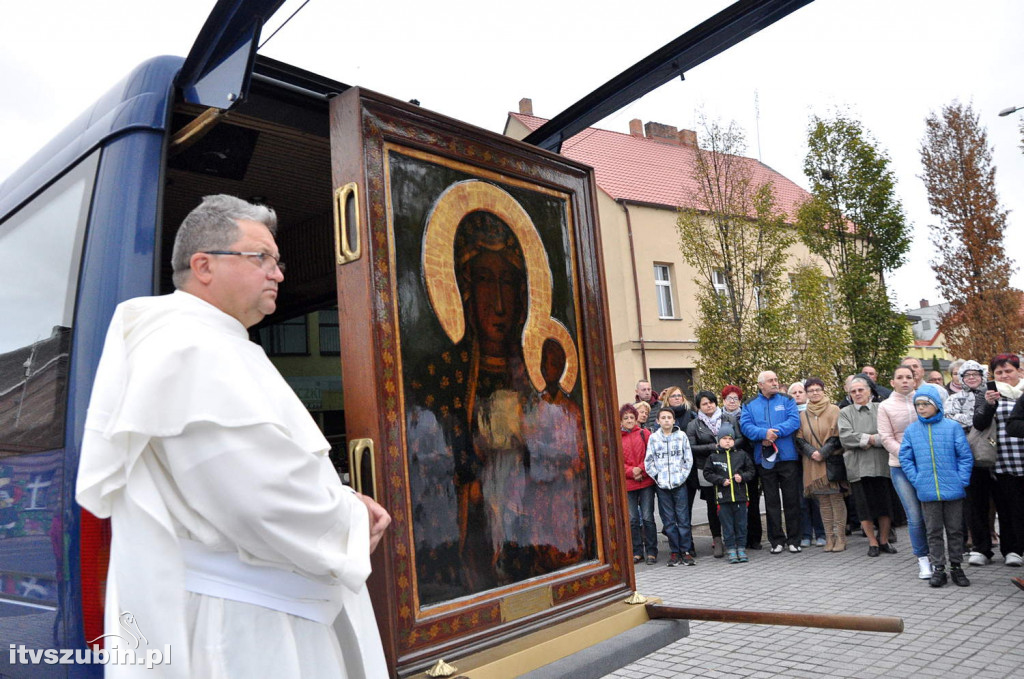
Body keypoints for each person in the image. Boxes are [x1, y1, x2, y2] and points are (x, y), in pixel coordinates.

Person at [76, 195, 390, 677]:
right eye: (261, 258)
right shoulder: (188, 348)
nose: (278, 273)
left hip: (269, 611)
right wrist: (351, 516)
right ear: (203, 265)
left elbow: (256, 473)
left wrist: (341, 497)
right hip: (251, 629)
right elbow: (257, 500)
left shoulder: (216, 342)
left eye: (277, 261)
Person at [898, 384, 973, 587]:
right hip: (928, 490)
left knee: (955, 530)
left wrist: (961, 480)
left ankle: (956, 566)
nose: (921, 408)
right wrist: (917, 479)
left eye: (925, 404)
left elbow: (965, 456)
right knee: (933, 531)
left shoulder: (952, 427)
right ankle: (938, 568)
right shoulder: (912, 430)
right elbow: (905, 458)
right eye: (918, 405)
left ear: (937, 405)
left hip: (953, 489)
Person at [878, 365, 932, 579]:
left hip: (928, 465)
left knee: (932, 514)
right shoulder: (885, 406)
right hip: (900, 466)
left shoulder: (925, 399)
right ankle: (923, 558)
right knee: (915, 516)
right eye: (899, 377)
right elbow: (886, 437)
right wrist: (908, 454)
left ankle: (937, 556)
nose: (904, 381)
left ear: (915, 380)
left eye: (908, 377)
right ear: (892, 382)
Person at [740, 371, 803, 554]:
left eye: (776, 380)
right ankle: (776, 540)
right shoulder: (750, 404)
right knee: (771, 501)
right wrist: (763, 434)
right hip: (764, 459)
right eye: (771, 381)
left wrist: (775, 432)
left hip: (787, 457)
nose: (775, 383)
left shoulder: (787, 400)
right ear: (761, 385)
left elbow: (794, 421)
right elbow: (746, 426)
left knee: (791, 500)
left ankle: (794, 539)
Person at [946, 360, 997, 566]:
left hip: (996, 455)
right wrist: (978, 419)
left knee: (1001, 502)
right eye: (967, 375)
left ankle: (1012, 547)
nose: (972, 378)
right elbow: (951, 417)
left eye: (975, 374)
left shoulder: (993, 394)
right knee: (975, 504)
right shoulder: (955, 398)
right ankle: (980, 547)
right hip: (968, 456)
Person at [839, 377, 896, 558]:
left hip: (881, 465)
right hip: (858, 467)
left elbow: (888, 434)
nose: (857, 394)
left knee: (884, 505)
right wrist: (873, 439)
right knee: (864, 507)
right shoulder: (845, 413)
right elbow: (846, 437)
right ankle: (872, 542)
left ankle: (884, 540)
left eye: (860, 390)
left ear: (869, 391)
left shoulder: (881, 409)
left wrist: (866, 440)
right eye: (853, 391)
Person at [978, 354, 1024, 568]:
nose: (1004, 376)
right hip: (1003, 460)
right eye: (999, 372)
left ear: (1019, 372)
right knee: (1006, 509)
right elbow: (978, 424)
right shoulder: (989, 395)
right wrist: (988, 405)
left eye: (1009, 371)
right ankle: (1012, 550)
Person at [686, 391, 743, 558]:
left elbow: (740, 438)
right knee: (713, 505)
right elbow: (691, 447)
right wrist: (713, 447)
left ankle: (733, 539)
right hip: (706, 468)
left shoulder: (729, 419)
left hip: (730, 466)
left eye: (711, 402)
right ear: (699, 407)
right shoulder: (693, 424)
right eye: (704, 403)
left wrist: (728, 446)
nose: (708, 405)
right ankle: (717, 539)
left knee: (731, 502)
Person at [796, 378, 848, 552]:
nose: (815, 393)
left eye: (818, 389)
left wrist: (823, 452)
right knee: (823, 502)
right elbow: (799, 438)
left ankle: (840, 537)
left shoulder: (834, 410)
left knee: (836, 499)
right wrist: (812, 452)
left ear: (824, 391)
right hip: (812, 463)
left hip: (830, 460)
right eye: (810, 391)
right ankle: (829, 538)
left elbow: (837, 435)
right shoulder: (803, 414)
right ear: (807, 394)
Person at [645, 407, 695, 567]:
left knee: (683, 518)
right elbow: (649, 461)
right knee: (668, 520)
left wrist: (681, 476)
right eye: (663, 418)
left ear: (674, 420)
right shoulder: (653, 438)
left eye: (669, 417)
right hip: (662, 486)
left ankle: (686, 551)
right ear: (658, 421)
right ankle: (674, 551)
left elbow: (688, 459)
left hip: (679, 484)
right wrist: (658, 477)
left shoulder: (681, 436)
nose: (666, 420)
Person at [703, 424, 755, 564]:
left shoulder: (741, 454)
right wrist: (720, 481)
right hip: (723, 498)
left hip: (741, 497)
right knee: (727, 525)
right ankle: (731, 549)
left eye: (730, 438)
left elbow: (751, 471)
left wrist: (742, 477)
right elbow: (707, 473)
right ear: (719, 440)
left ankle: (741, 548)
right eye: (724, 438)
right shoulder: (713, 457)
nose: (727, 441)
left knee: (741, 524)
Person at [723, 384, 762, 550]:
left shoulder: (746, 415)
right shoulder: (719, 417)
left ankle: (754, 538)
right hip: (726, 465)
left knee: (751, 500)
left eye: (736, 398)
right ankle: (736, 540)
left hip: (747, 462)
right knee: (730, 505)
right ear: (723, 400)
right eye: (729, 398)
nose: (732, 401)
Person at [621, 404, 657, 565]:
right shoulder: (617, 437)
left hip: (646, 482)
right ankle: (637, 551)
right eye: (625, 418)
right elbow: (616, 461)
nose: (629, 420)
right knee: (632, 519)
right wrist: (630, 472)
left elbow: (652, 455)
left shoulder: (645, 434)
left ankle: (651, 551)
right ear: (621, 420)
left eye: (631, 417)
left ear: (636, 419)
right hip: (628, 485)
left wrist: (640, 469)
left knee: (648, 517)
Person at [790, 381, 824, 546]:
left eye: (800, 391)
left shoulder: (813, 411)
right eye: (793, 392)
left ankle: (820, 533)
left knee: (816, 497)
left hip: (813, 458)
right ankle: (805, 534)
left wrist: (813, 452)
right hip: (795, 460)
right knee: (801, 499)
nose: (797, 394)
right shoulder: (788, 413)